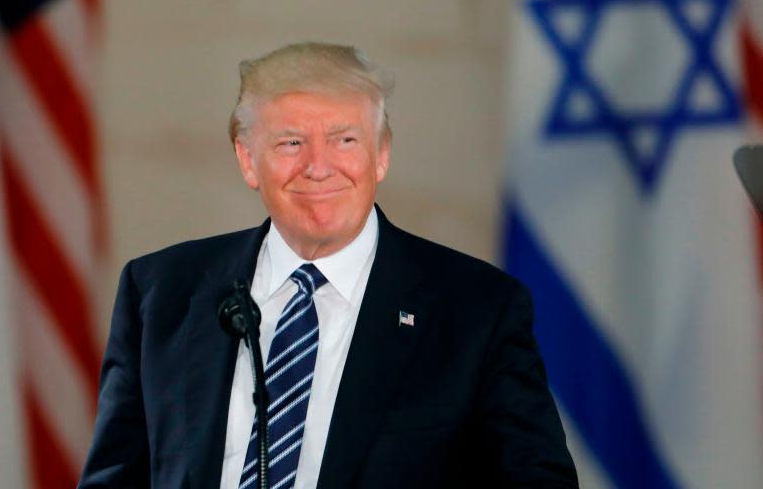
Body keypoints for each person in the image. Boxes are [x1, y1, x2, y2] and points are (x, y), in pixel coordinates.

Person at [77, 43, 577, 488]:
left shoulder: (476, 311)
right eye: (291, 142)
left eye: (345, 140)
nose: (318, 166)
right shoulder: (160, 293)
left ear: (381, 155)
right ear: (248, 160)